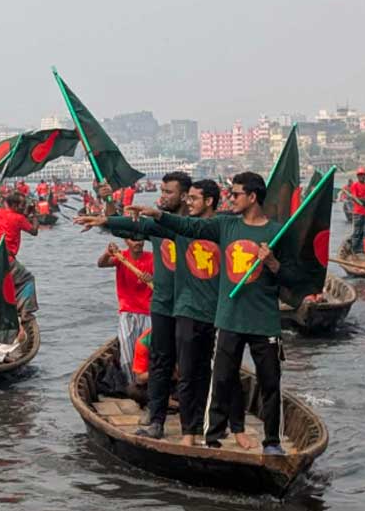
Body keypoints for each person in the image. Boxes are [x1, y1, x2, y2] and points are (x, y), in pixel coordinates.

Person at [124, 172, 301, 456]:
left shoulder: (277, 233)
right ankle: (213, 438)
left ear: (252, 197)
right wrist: (158, 215)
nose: (230, 198)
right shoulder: (225, 226)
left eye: (236, 194)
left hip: (264, 320)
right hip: (229, 317)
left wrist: (273, 263)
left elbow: (295, 278)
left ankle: (272, 443)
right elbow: (188, 227)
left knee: (270, 382)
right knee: (220, 379)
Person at [84, 171, 192, 443]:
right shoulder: (155, 227)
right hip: (160, 306)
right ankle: (156, 417)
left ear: (185, 196)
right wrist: (107, 207)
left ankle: (194, 417)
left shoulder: (198, 227)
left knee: (193, 364)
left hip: (191, 306)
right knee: (159, 361)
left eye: (169, 192)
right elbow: (124, 227)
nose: (162, 196)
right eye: (162, 191)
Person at [96, 238, 153, 385]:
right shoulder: (121, 257)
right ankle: (131, 385)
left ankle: (148, 385)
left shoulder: (152, 259)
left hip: (148, 313)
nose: (137, 243)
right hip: (127, 312)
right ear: (126, 241)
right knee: (127, 354)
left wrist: (153, 278)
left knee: (148, 351)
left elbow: (163, 281)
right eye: (133, 240)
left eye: (140, 239)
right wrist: (108, 253)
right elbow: (101, 264)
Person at [0, 192, 38, 258]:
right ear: (14, 205)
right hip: (5, 256)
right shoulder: (20, 218)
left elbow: (12, 219)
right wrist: (34, 215)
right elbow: (34, 232)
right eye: (23, 205)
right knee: (21, 269)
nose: (24, 208)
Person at [347, 167, 365, 252]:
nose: (361, 177)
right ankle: (354, 249)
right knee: (357, 232)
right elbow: (355, 198)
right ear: (357, 176)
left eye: (362, 175)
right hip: (358, 212)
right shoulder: (355, 185)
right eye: (360, 175)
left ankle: (364, 249)